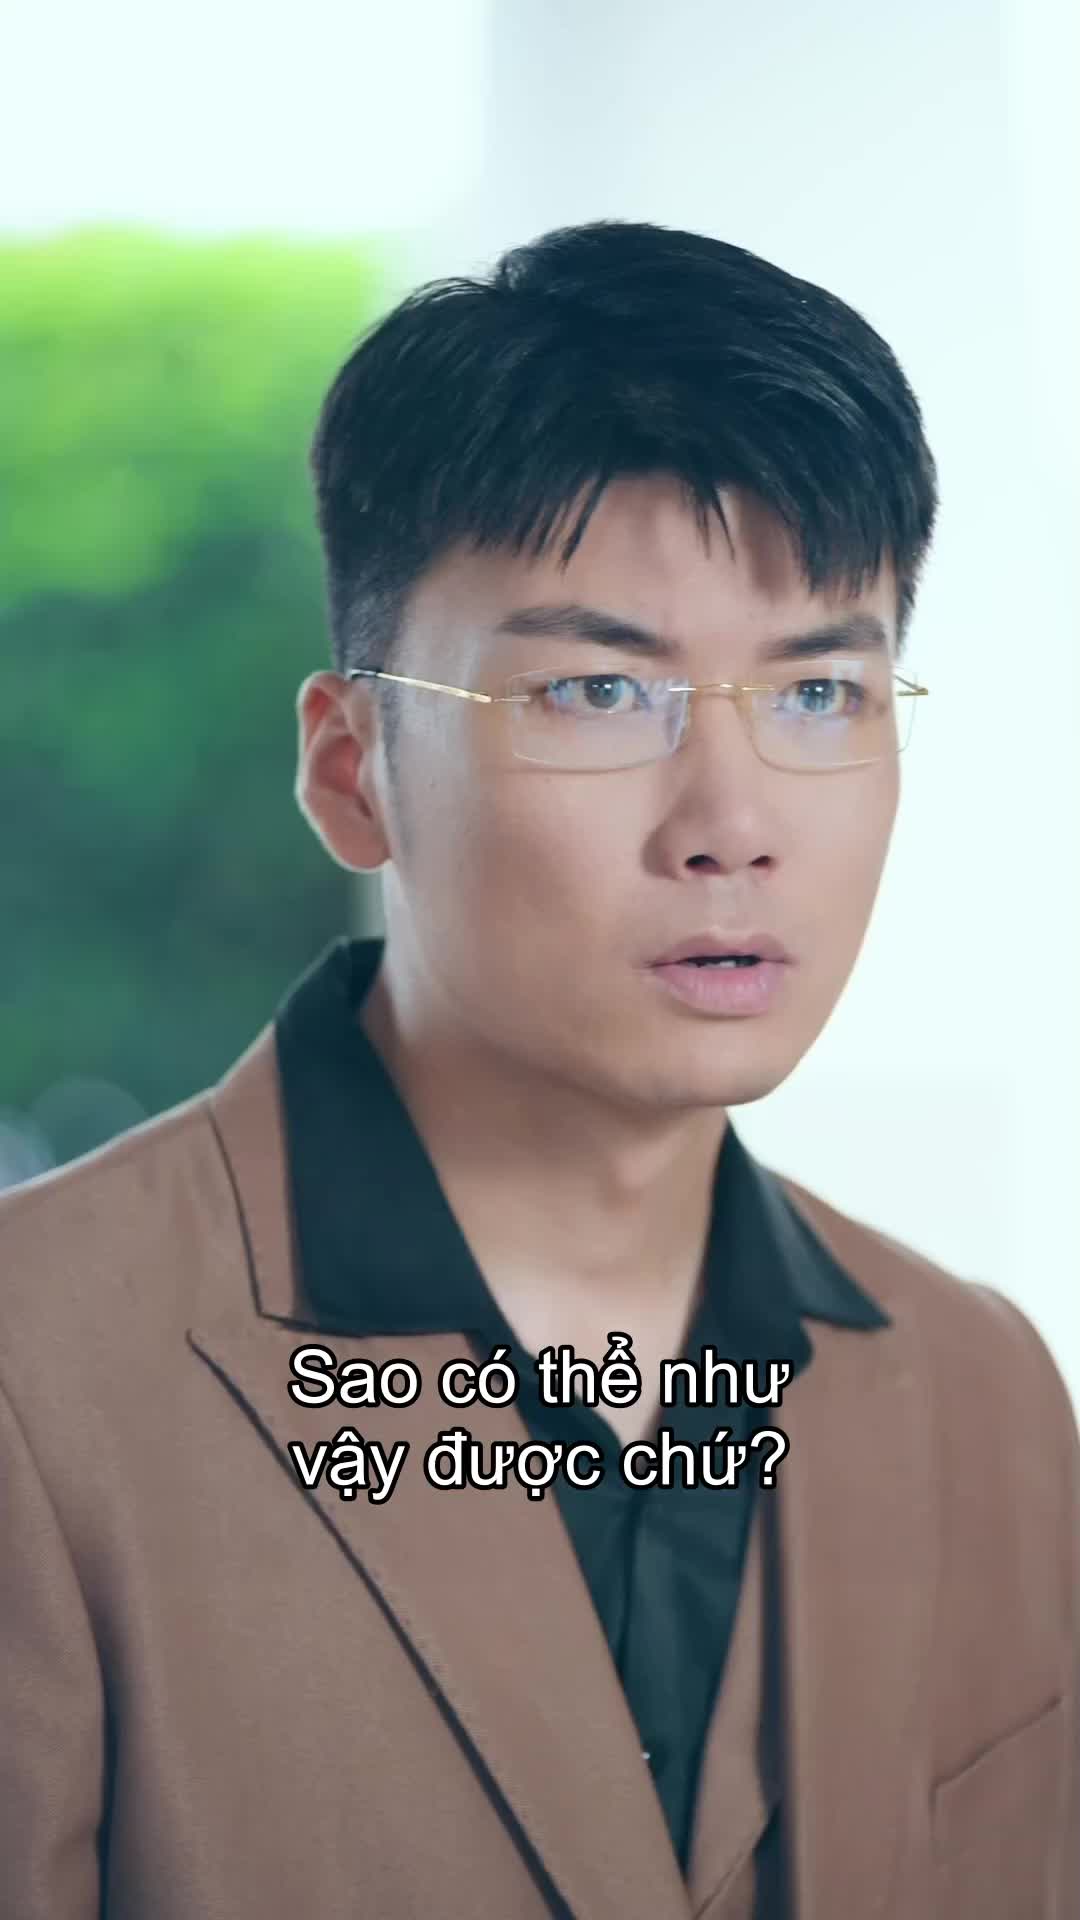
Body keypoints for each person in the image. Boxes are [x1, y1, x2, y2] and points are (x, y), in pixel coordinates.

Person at [0, 219, 1076, 1920]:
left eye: (818, 692)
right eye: (598, 690)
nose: (732, 825)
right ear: (353, 766)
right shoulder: (40, 1383)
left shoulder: (986, 1390)